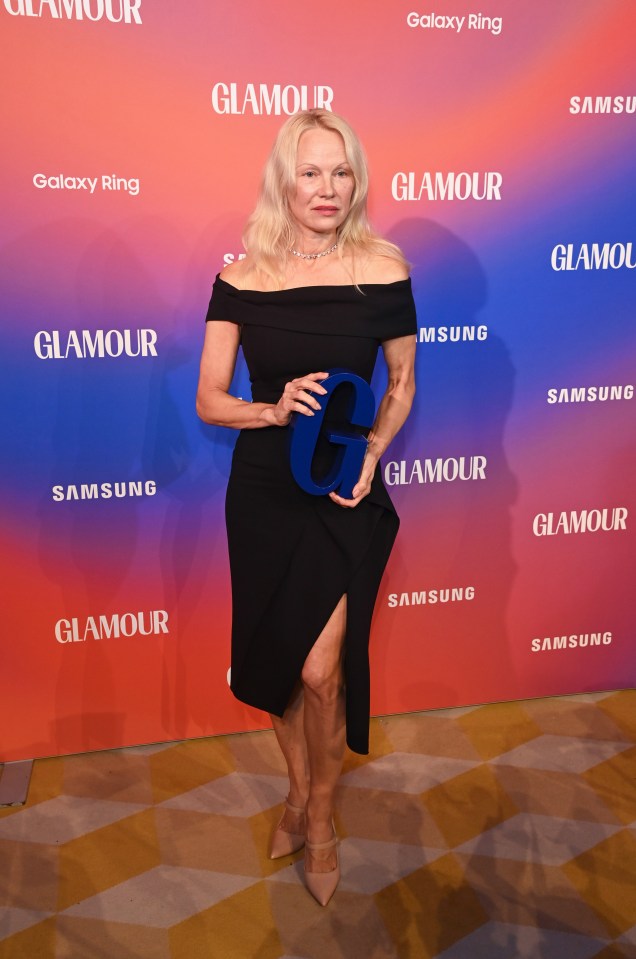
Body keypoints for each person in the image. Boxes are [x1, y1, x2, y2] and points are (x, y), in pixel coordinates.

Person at [196, 109, 416, 905]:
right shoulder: (242, 277)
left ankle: (320, 814)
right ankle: (296, 786)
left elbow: (400, 384)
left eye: (341, 171)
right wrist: (274, 407)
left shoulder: (383, 266)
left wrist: (372, 450)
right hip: (262, 488)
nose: (327, 188)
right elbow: (210, 400)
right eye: (311, 171)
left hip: (341, 485)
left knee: (323, 670)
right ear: (284, 179)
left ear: (356, 179)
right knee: (279, 664)